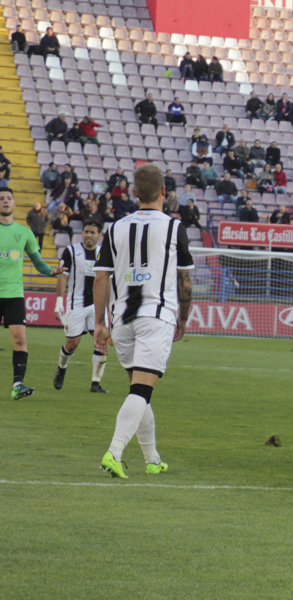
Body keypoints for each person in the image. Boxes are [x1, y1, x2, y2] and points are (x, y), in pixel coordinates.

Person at [94, 163, 194, 478]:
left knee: (138, 390)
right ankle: (114, 451)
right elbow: (186, 283)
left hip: (122, 319)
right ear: (164, 191)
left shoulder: (115, 228)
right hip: (156, 315)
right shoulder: (175, 227)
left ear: (135, 193)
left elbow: (101, 279)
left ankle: (152, 459)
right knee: (141, 392)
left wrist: (99, 322)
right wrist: (183, 318)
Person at [0, 187, 65, 400]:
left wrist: (52, 271)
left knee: (20, 339)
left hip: (14, 294)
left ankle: (17, 385)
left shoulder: (25, 233)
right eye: (1, 199)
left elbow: (38, 263)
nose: (6, 201)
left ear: (15, 204)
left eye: (9, 198)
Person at [53, 221, 110, 393]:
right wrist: (58, 302)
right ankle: (61, 369)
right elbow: (62, 277)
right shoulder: (71, 251)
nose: (88, 235)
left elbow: (109, 282)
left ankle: (95, 382)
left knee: (101, 341)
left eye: (92, 232)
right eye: (86, 232)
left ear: (99, 235)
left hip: (96, 305)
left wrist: (110, 308)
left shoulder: (104, 253)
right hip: (75, 304)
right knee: (72, 344)